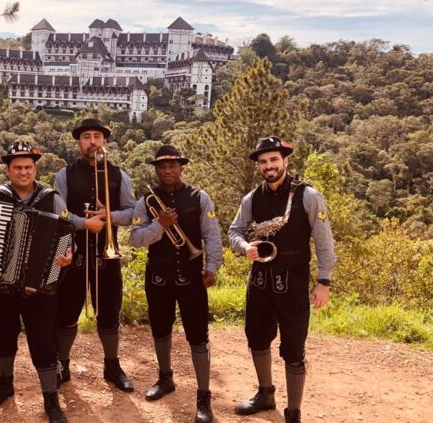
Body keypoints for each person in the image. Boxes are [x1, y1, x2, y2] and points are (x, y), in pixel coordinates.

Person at [228, 136, 336, 423]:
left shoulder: (308, 195)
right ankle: (265, 394)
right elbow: (234, 231)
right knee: (257, 337)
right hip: (260, 279)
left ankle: (293, 412)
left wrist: (324, 281)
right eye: (263, 162)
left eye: (274, 160)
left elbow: (324, 241)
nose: (269, 166)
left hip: (295, 280)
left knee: (293, 347)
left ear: (285, 161)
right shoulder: (251, 198)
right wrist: (244, 247)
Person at [0, 141, 73, 423]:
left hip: (41, 287)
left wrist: (66, 256)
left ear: (35, 168)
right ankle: (5, 384)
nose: (23, 172)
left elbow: (66, 233)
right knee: (2, 335)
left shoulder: (52, 198)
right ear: (8, 170)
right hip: (0, 284)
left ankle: (51, 400)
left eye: (28, 167)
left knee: (43, 342)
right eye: (18, 167)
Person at [130, 145, 223, 423]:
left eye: (173, 166)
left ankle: (203, 397)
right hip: (158, 275)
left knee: (198, 334)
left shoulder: (199, 197)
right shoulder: (146, 200)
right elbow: (135, 239)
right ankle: (165, 378)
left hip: (193, 275)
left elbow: (212, 235)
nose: (168, 171)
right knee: (160, 329)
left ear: (181, 167)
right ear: (156, 170)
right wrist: (160, 224)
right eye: (162, 167)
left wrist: (212, 267)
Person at [53, 118, 136, 392]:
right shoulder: (64, 175)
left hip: (106, 253)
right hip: (72, 254)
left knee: (109, 312)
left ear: (105, 142)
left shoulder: (119, 175)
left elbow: (133, 213)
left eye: (97, 136)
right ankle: (61, 364)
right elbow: (59, 214)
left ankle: (112, 365)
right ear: (79, 142)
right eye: (86, 136)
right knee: (66, 312)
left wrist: (108, 215)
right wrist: (83, 222)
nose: (92, 141)